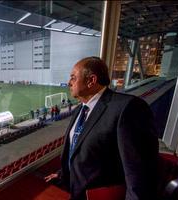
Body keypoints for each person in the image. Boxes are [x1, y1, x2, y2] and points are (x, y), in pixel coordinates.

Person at [44, 57, 158, 200]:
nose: (69, 83)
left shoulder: (128, 108)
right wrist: (64, 173)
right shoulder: (80, 109)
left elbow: (138, 172)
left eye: (73, 78)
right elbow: (82, 151)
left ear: (91, 80)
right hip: (76, 193)